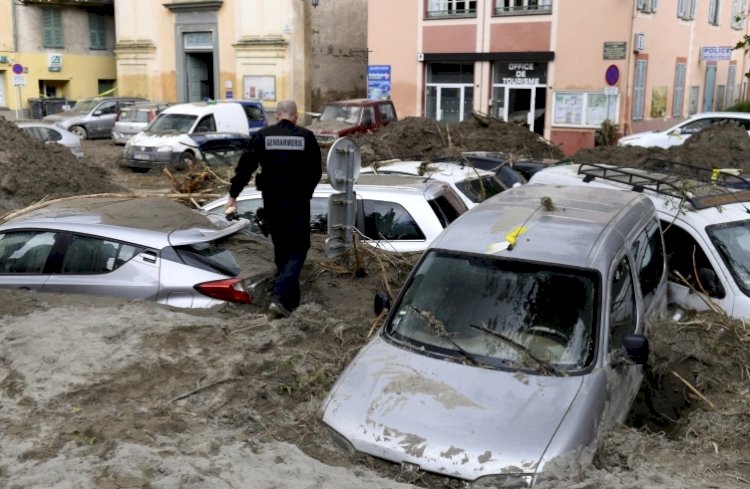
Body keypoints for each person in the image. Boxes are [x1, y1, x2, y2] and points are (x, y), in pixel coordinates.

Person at [225, 100, 322, 318]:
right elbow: (316, 171)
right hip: (297, 206)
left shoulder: (263, 136)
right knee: (298, 250)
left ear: (277, 115)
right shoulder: (305, 136)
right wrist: (305, 193)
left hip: (272, 205)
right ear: (295, 116)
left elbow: (245, 168)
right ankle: (279, 297)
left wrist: (233, 195)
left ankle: (289, 304)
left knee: (282, 252)